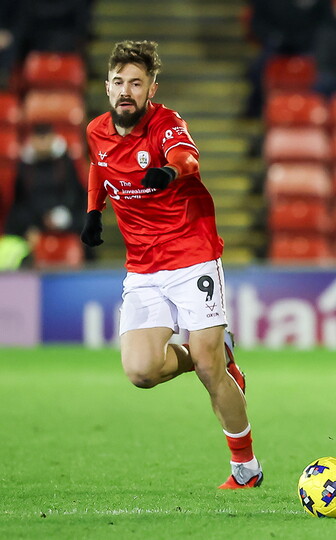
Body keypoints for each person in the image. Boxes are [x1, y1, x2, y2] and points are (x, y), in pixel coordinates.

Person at [81, 41, 262, 489]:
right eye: (119, 82)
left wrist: (170, 172)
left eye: (136, 83)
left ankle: (246, 468)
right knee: (141, 372)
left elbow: (187, 157)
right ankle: (218, 353)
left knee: (208, 367)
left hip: (191, 253)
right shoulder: (97, 131)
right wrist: (92, 211)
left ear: (151, 88)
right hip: (142, 266)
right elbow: (98, 167)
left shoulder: (166, 123)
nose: (127, 91)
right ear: (107, 88)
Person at [4, 123, 86, 264]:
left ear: (53, 138)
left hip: (65, 217)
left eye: (46, 138)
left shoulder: (66, 162)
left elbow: (76, 195)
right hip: (34, 221)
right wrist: (30, 225)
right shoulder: (24, 167)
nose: (42, 143)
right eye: (38, 139)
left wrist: (63, 216)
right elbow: (20, 201)